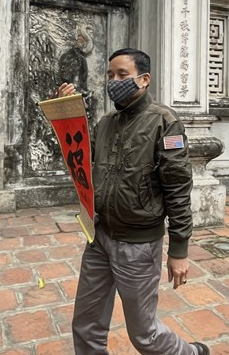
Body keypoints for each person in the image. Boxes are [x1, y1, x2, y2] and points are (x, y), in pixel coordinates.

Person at [58, 48, 209, 355]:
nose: (114, 81)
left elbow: (178, 189)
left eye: (122, 74)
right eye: (110, 75)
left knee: (144, 334)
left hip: (138, 245)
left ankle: (189, 353)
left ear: (144, 79)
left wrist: (179, 249)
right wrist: (67, 112)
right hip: (99, 237)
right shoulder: (106, 123)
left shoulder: (164, 123)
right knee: (86, 325)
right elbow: (80, 159)